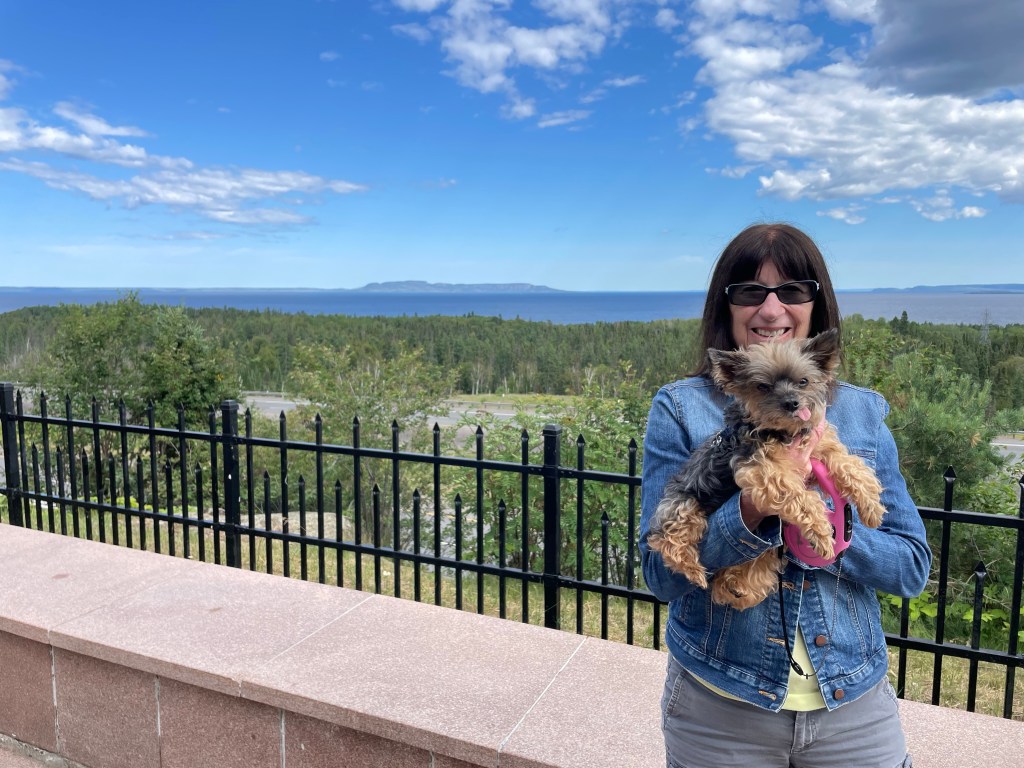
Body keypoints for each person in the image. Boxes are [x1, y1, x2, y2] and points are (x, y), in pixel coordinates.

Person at [639, 223, 931, 768]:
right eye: (750, 291)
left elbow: (911, 568)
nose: (771, 309)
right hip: (720, 705)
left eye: (792, 290)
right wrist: (753, 512)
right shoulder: (680, 408)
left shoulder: (863, 412)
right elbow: (660, 576)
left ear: (817, 305)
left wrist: (829, 532)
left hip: (852, 706)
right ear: (725, 306)